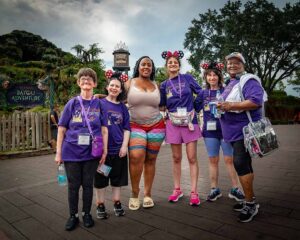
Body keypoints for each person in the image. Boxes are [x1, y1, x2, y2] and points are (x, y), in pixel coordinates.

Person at [55, 68, 108, 231]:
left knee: (87, 185)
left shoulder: (99, 104)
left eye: (89, 79)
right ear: (79, 83)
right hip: (71, 152)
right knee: (73, 185)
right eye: (83, 79)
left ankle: (86, 214)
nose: (86, 81)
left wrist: (104, 151)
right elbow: (62, 128)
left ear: (95, 83)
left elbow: (104, 129)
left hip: (92, 152)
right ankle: (73, 216)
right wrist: (58, 152)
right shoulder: (72, 103)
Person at [218, 52, 266, 223]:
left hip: (244, 131)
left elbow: (255, 101)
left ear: (243, 64)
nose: (232, 65)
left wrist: (230, 105)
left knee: (240, 163)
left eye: (236, 62)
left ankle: (251, 203)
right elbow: (226, 104)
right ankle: (248, 197)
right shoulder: (231, 83)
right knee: (243, 163)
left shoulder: (249, 80)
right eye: (229, 63)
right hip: (231, 132)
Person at [195, 62, 244, 202]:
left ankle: (235, 188)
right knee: (213, 160)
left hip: (226, 130)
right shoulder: (202, 93)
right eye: (209, 75)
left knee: (230, 160)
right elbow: (194, 108)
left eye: (214, 75)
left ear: (219, 76)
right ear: (206, 77)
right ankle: (214, 189)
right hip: (210, 133)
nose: (212, 78)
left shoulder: (226, 91)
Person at [160, 50, 202, 206]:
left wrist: (196, 108)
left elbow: (201, 92)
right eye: (170, 62)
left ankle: (194, 192)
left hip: (190, 122)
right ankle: (177, 189)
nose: (173, 64)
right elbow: (162, 104)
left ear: (179, 65)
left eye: (175, 62)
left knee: (192, 157)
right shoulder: (164, 85)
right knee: (176, 158)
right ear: (166, 66)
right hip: (173, 123)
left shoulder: (187, 78)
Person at [126, 56, 166, 210]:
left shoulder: (157, 84)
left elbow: (164, 104)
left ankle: (148, 194)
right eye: (143, 64)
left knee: (150, 160)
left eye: (149, 65)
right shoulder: (130, 82)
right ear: (138, 66)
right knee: (136, 156)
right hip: (135, 125)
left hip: (157, 125)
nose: (146, 67)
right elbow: (117, 97)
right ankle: (135, 193)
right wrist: (101, 98)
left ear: (152, 68)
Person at [94, 71, 130, 219]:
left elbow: (127, 128)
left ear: (121, 90)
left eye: (117, 86)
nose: (114, 88)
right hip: (103, 153)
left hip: (118, 151)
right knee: (101, 179)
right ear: (107, 87)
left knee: (117, 179)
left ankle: (117, 202)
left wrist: (124, 146)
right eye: (112, 85)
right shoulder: (100, 103)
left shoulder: (122, 107)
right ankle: (100, 205)